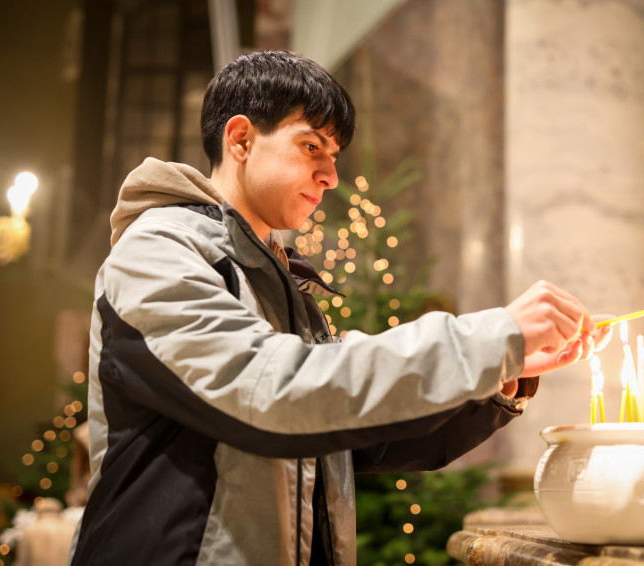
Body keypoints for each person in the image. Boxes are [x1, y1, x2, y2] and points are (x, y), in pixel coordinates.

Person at [68, 50, 611, 566]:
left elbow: (364, 436)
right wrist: (489, 337)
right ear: (241, 140)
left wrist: (499, 377)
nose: (330, 176)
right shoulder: (157, 252)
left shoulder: (280, 281)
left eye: (334, 156)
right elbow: (269, 392)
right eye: (311, 147)